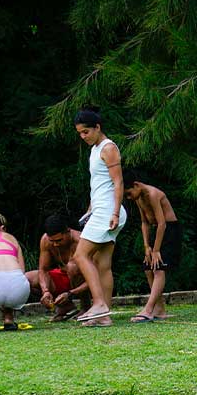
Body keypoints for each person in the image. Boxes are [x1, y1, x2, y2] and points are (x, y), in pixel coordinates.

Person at [72, 108, 126, 326]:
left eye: (86, 132)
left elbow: (118, 182)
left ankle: (99, 303)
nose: (83, 136)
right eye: (80, 133)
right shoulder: (94, 150)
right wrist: (89, 211)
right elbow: (98, 186)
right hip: (100, 209)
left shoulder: (108, 148)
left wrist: (114, 212)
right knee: (101, 263)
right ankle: (104, 316)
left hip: (108, 211)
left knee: (80, 255)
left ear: (97, 127)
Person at [125, 171, 182, 322]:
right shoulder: (139, 198)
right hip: (156, 230)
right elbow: (144, 222)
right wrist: (147, 247)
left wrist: (156, 250)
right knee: (148, 267)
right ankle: (159, 309)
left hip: (169, 229)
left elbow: (162, 223)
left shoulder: (153, 194)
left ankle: (148, 309)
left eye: (129, 193)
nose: (129, 198)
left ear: (136, 185)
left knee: (158, 267)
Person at [33, 212, 90, 321]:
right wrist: (45, 291)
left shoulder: (80, 240)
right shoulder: (45, 240)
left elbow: (97, 275)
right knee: (28, 278)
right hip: (64, 277)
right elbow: (43, 270)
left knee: (72, 267)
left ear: (68, 231)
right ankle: (66, 306)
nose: (55, 244)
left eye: (59, 240)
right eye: (52, 241)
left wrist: (71, 293)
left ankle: (86, 307)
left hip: (85, 281)